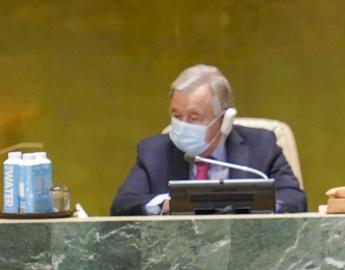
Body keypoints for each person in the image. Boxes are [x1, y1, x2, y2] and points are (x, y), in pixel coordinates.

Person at [110, 64, 306, 215]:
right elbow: (122, 205)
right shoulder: (154, 151)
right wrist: (165, 204)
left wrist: (249, 206)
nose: (183, 124)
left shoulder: (262, 146)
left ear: (225, 119)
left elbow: (295, 199)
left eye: (194, 118)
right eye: (176, 116)